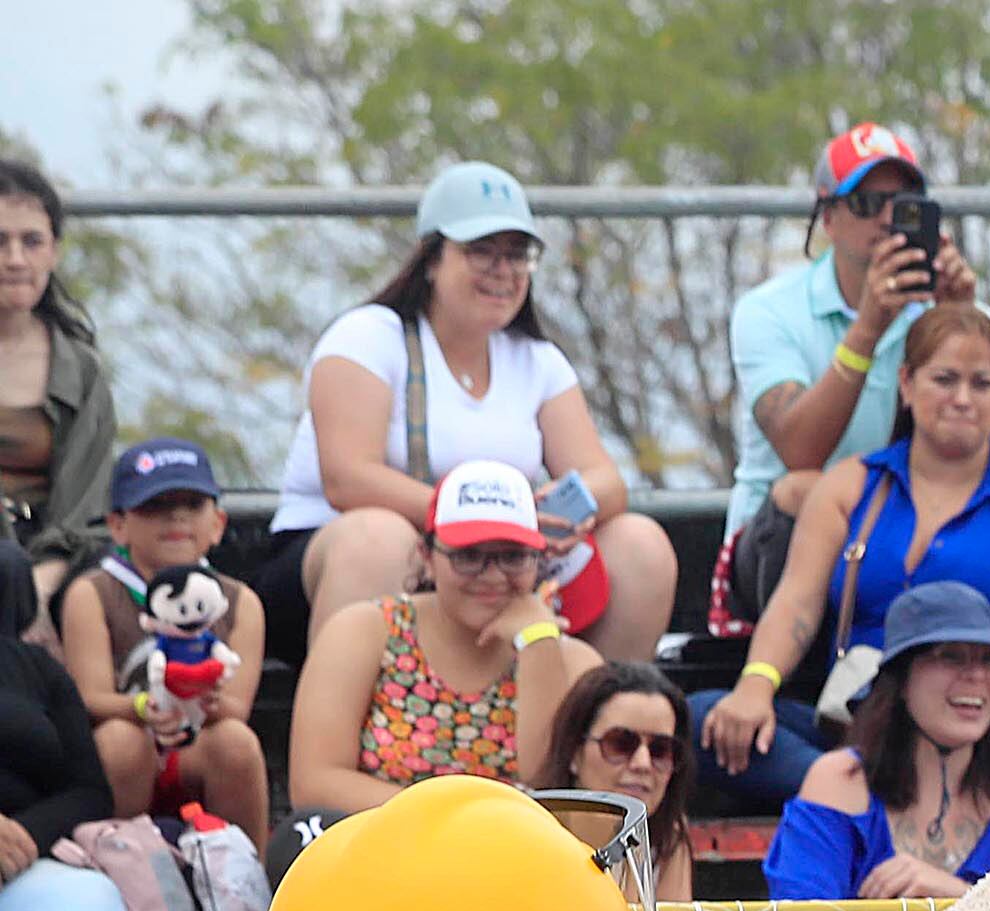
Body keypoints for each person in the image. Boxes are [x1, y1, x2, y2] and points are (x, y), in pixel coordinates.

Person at [260, 161, 674, 662]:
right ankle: (340, 730)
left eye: (517, 254)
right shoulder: (369, 336)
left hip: (485, 563)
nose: (503, 270)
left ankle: (593, 726)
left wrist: (553, 515)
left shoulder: (536, 359)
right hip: (342, 560)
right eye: (481, 252)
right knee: (378, 538)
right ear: (430, 260)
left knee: (640, 544)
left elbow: (607, 480)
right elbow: (347, 479)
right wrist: (476, 522)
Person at [700, 301, 990, 811]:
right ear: (906, 384)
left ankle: (868, 797)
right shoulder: (850, 485)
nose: (963, 399)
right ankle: (862, 789)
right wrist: (754, 687)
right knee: (699, 720)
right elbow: (796, 603)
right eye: (944, 379)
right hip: (862, 723)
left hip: (986, 725)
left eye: (982, 383)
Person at [719, 122, 990, 633]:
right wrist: (867, 329)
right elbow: (800, 450)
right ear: (828, 218)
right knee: (805, 489)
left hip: (918, 526)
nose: (886, 218)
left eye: (905, 202)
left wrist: (961, 327)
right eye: (865, 202)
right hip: (786, 541)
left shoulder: (973, 319)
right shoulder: (768, 311)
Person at [286, 461, 604, 816]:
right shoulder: (365, 630)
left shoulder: (574, 661)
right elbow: (314, 783)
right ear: (427, 558)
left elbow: (554, 791)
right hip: (385, 855)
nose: (493, 575)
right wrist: (459, 820)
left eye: (513, 557)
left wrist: (539, 644)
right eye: (468, 556)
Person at [763, 581, 990, 902]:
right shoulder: (839, 781)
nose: (976, 675)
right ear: (901, 681)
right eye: (951, 657)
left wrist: (959, 898)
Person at [57, 439, 272, 847]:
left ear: (218, 524)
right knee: (120, 741)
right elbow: (89, 698)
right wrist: (144, 708)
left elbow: (236, 708)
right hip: (129, 749)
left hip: (200, 741)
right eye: (155, 505)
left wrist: (204, 700)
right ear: (118, 525)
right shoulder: (93, 592)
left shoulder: (240, 600)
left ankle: (250, 883)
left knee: (236, 742)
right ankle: (115, 870)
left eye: (192, 504)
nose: (176, 515)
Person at [0, 561, 135, 911]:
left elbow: (88, 791)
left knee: (88, 896)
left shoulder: (36, 668)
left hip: (18, 864)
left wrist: (19, 838)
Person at [0, 160, 114, 598]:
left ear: (54, 252)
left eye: (31, 242)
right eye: (0, 241)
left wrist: (39, 592)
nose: (15, 259)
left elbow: (83, 511)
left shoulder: (79, 370)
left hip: (57, 567)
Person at [539, 661, 699, 904]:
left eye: (660, 750)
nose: (642, 763)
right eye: (620, 744)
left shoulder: (670, 836)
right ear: (573, 752)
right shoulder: (527, 829)